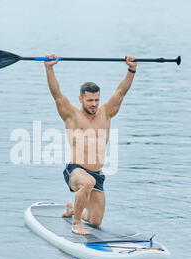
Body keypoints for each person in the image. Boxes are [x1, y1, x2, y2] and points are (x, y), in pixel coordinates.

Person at [44, 54, 137, 235]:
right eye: (90, 100)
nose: (94, 104)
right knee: (88, 182)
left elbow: (121, 92)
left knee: (95, 221)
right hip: (76, 170)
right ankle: (76, 223)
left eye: (96, 100)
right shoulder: (71, 115)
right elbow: (56, 95)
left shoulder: (106, 113)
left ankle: (73, 210)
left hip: (98, 174)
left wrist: (131, 69)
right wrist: (49, 68)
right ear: (81, 99)